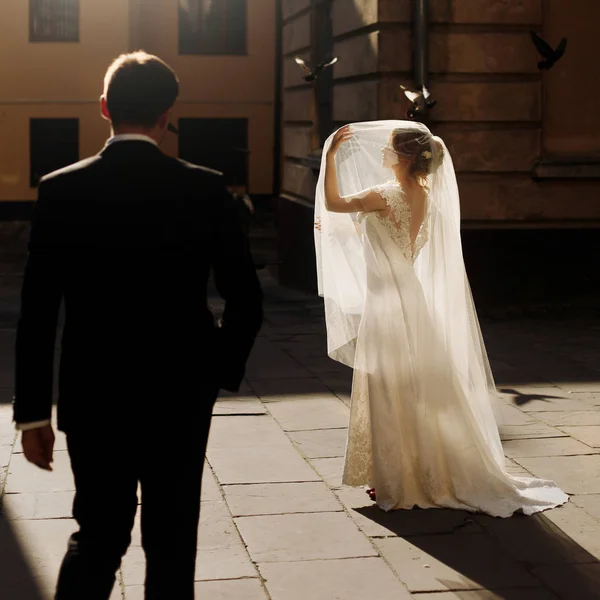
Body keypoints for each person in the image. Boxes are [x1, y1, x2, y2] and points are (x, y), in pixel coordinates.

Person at [13, 51, 263, 599]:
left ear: (104, 107)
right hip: (180, 393)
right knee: (173, 540)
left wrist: (33, 413)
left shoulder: (60, 189)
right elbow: (246, 298)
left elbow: (37, 311)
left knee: (98, 535)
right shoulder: (205, 188)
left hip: (93, 391)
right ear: (167, 114)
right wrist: (215, 370)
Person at [314, 120, 568, 517]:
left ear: (403, 157)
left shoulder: (383, 193)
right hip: (410, 298)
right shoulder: (424, 198)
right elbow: (383, 238)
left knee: (390, 387)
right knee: (415, 388)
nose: (382, 153)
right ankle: (413, 470)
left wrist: (329, 159)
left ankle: (397, 477)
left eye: (388, 148)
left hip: (387, 304)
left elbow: (332, 204)